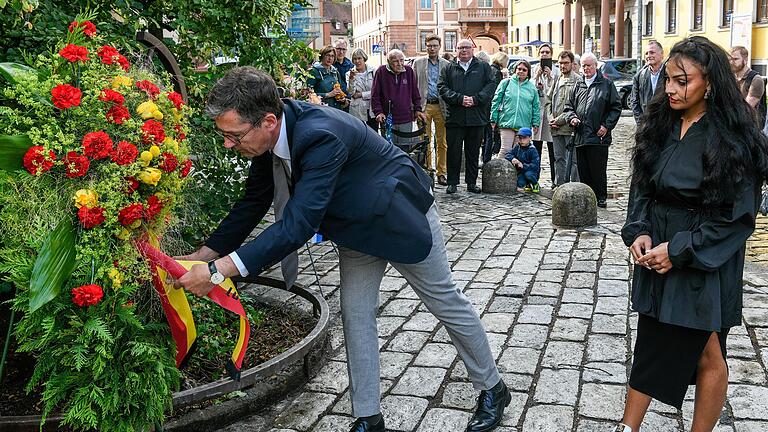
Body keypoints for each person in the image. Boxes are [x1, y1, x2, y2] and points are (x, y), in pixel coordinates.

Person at [174, 67, 511, 432]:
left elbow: (298, 225)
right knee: (356, 314)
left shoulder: (319, 135)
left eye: (232, 136)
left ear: (268, 121)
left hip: (399, 216)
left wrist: (219, 271)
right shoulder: (267, 135)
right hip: (354, 228)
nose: (228, 144)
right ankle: (368, 417)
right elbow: (252, 202)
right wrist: (203, 255)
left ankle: (493, 387)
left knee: (445, 300)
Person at [617, 36, 768, 432]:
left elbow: (736, 217)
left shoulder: (734, 140)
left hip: (703, 255)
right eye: (668, 79)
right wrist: (638, 230)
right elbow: (642, 187)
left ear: (710, 83)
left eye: (682, 81)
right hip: (658, 251)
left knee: (707, 353)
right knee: (659, 339)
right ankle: (627, 427)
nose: (670, 89)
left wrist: (680, 249)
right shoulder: (660, 125)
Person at [562, 52, 622, 208]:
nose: (586, 68)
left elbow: (615, 108)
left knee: (598, 170)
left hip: (598, 135)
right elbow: (568, 107)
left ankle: (600, 198)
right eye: (584, 65)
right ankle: (587, 198)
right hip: (581, 135)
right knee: (584, 170)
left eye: (589, 65)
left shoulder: (607, 85)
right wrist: (572, 118)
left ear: (596, 66)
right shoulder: (578, 85)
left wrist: (606, 126)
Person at [438, 39, 498, 194]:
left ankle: (471, 182)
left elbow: (491, 85)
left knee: (473, 152)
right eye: (460, 48)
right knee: (454, 151)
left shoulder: (483, 67)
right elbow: (442, 87)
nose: (463, 50)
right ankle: (452, 182)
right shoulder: (448, 68)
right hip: (455, 117)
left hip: (476, 117)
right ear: (456, 50)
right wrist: (459, 99)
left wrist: (476, 99)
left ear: (473, 49)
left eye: (466, 47)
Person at [413, 34, 450, 185]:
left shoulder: (447, 64)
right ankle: (428, 170)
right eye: (429, 45)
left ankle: (442, 172)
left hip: (441, 106)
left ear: (439, 46)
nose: (432, 48)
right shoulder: (418, 63)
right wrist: (415, 107)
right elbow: (414, 86)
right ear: (425, 46)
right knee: (424, 140)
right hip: (424, 106)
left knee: (442, 141)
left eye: (435, 45)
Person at [370, 49, 426, 144]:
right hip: (388, 118)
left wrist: (418, 110)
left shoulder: (408, 71)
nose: (400, 63)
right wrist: (378, 112)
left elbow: (415, 93)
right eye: (395, 61)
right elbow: (375, 95)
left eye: (402, 60)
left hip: (406, 117)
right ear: (388, 62)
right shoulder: (381, 71)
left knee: (405, 147)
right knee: (389, 148)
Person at [490, 60, 540, 160]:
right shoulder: (506, 83)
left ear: (528, 73)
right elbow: (496, 101)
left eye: (524, 70)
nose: (521, 71)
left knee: (519, 153)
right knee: (505, 150)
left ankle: (516, 175)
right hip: (506, 122)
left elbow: (535, 106)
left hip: (523, 124)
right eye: (519, 69)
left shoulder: (532, 88)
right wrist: (493, 118)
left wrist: (536, 122)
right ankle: (499, 173)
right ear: (515, 70)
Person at [547, 50, 582, 186]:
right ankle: (559, 185)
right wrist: (551, 118)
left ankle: (574, 187)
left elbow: (577, 106)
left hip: (569, 127)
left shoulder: (578, 80)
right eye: (560, 63)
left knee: (573, 160)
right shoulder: (557, 79)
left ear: (572, 64)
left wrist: (560, 120)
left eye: (566, 63)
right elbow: (548, 101)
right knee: (558, 159)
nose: (562, 66)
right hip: (555, 128)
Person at [531, 43, 556, 183]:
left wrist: (550, 77)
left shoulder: (556, 71)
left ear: (551, 54)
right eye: (542, 52)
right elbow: (530, 90)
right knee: (536, 150)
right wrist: (536, 78)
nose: (544, 54)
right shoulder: (535, 69)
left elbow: (556, 90)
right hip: (538, 115)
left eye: (547, 52)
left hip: (551, 114)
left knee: (554, 151)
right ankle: (534, 179)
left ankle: (555, 179)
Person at [474, 51, 502, 165]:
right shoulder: (493, 72)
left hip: (483, 108)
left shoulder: (488, 72)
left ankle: (482, 159)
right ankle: (485, 159)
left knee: (483, 135)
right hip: (487, 108)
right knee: (488, 135)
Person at [729, 46, 767, 128]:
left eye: (735, 59)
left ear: (745, 60)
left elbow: (747, 108)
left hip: (752, 128)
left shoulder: (756, 79)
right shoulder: (732, 79)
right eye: (730, 59)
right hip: (735, 125)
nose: (731, 62)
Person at [631, 40, 665, 125]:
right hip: (646, 125)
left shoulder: (670, 74)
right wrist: (641, 124)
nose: (648, 56)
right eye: (646, 53)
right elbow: (634, 102)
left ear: (662, 55)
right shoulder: (639, 76)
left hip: (666, 125)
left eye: (652, 52)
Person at [486, 51, 510, 161]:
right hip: (491, 106)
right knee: (490, 135)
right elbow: (497, 92)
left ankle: (485, 158)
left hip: (484, 105)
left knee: (486, 135)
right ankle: (487, 158)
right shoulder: (497, 72)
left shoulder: (488, 68)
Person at [307, 45, 349, 110]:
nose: (330, 58)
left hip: (336, 110)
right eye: (327, 55)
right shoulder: (314, 71)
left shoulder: (335, 72)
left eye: (332, 56)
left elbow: (340, 89)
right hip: (321, 110)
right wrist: (328, 95)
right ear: (322, 56)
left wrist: (342, 98)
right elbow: (308, 94)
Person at [348, 48, 378, 130]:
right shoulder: (349, 73)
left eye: (359, 58)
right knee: (360, 134)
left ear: (364, 59)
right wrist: (351, 78)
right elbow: (351, 93)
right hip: (358, 109)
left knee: (373, 134)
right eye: (355, 59)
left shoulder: (373, 71)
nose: (357, 61)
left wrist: (361, 94)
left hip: (373, 108)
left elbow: (377, 91)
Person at [504, 127, 540, 192]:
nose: (522, 140)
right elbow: (507, 154)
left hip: (532, 172)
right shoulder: (517, 147)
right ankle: (528, 184)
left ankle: (535, 183)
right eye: (520, 138)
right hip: (521, 172)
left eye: (524, 138)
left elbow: (535, 166)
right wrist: (513, 158)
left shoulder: (533, 150)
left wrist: (523, 165)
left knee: (528, 175)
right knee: (520, 183)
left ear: (530, 138)